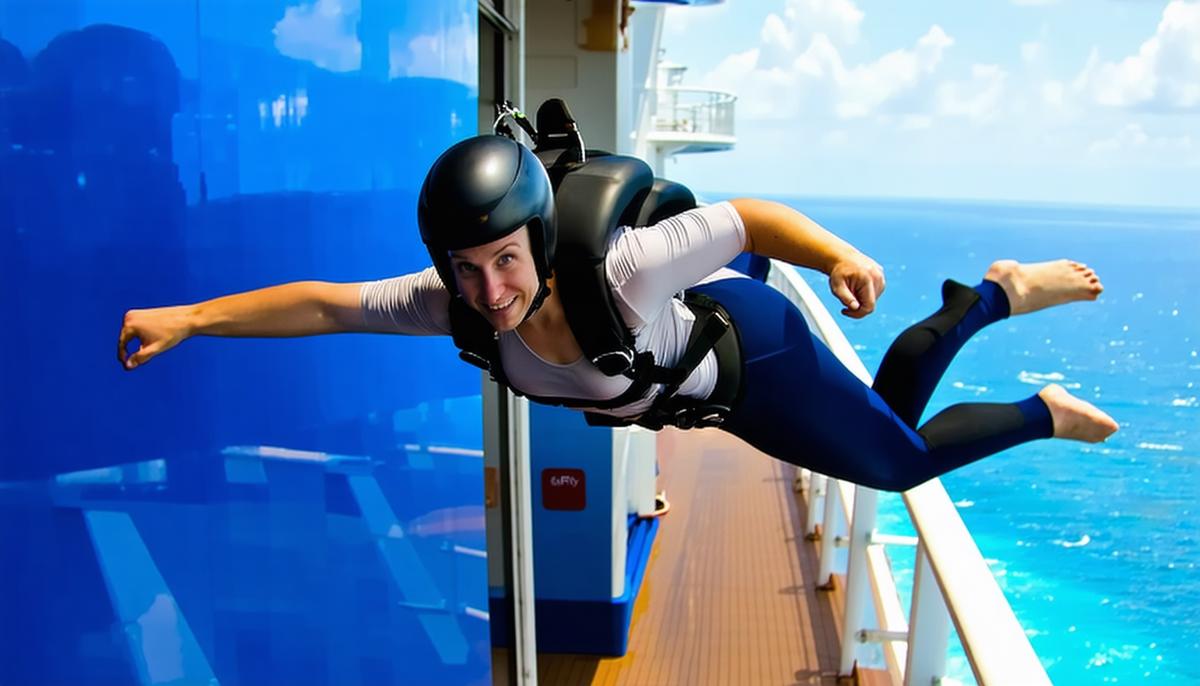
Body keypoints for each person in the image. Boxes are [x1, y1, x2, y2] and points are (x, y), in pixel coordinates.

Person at [118, 135, 1118, 492]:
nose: (490, 292)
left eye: (505, 261)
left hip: (748, 359)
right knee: (892, 418)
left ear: (541, 242)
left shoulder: (624, 268)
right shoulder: (459, 309)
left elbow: (748, 218)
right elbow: (327, 306)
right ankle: (987, 296)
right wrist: (191, 319)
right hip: (694, 382)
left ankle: (1038, 397)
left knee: (898, 462)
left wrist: (839, 253)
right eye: (463, 270)